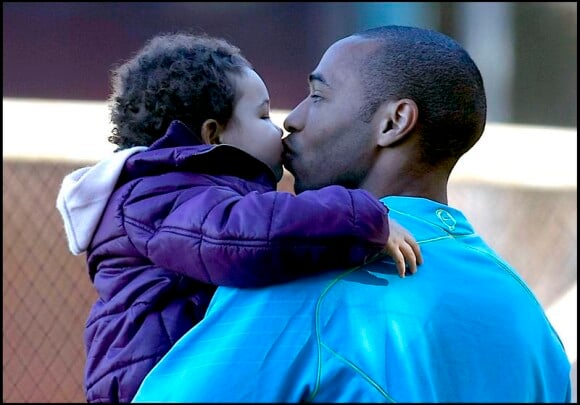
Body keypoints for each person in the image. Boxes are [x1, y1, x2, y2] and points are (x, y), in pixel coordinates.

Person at [131, 25, 572, 403]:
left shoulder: (301, 277)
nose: (294, 120)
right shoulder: (527, 317)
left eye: (318, 96)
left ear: (394, 123)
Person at [55, 31, 423, 403]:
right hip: (153, 384)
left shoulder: (175, 192)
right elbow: (245, 235)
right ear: (213, 135)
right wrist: (357, 216)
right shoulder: (160, 195)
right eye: (263, 115)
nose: (281, 127)